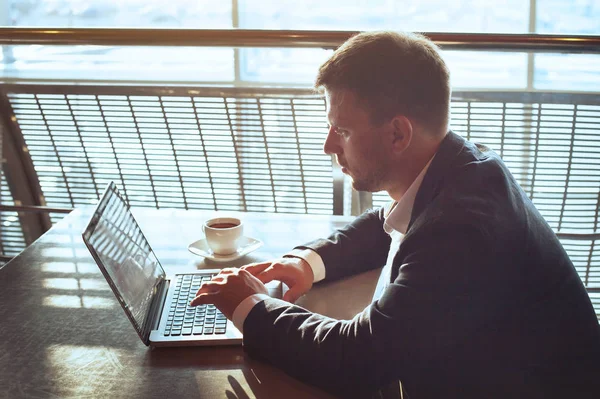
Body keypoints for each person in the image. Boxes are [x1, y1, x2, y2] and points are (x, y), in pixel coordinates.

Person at [190, 31, 600, 398]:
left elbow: (359, 360)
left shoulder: (462, 230)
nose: (328, 146)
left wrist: (252, 307)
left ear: (398, 134)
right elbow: (387, 224)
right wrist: (307, 263)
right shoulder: (463, 169)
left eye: (343, 131)